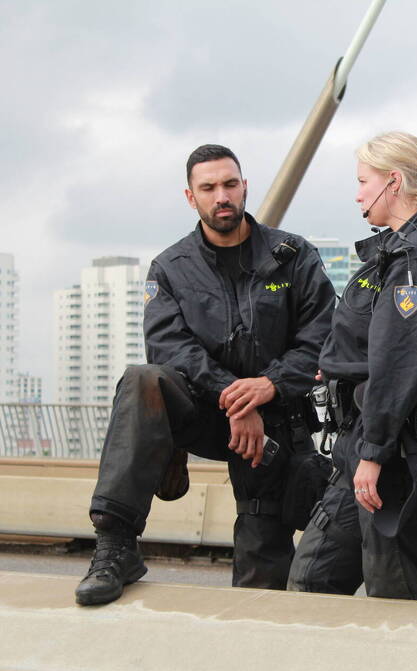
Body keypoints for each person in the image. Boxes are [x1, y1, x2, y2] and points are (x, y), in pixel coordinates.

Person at [75, 144, 336, 606]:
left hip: (275, 423)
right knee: (143, 379)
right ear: (190, 196)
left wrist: (268, 388)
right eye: (208, 188)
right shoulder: (171, 268)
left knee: (262, 581)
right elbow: (169, 347)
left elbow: (321, 341)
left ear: (245, 187)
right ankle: (115, 546)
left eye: (230, 185)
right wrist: (235, 398)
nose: (222, 196)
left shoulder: (293, 257)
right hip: (204, 412)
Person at [287, 132, 417, 601]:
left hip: (394, 451)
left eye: (362, 181)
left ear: (393, 182)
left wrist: (373, 454)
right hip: (364, 442)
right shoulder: (398, 249)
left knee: (400, 600)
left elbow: (401, 363)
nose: (356, 194)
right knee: (312, 582)